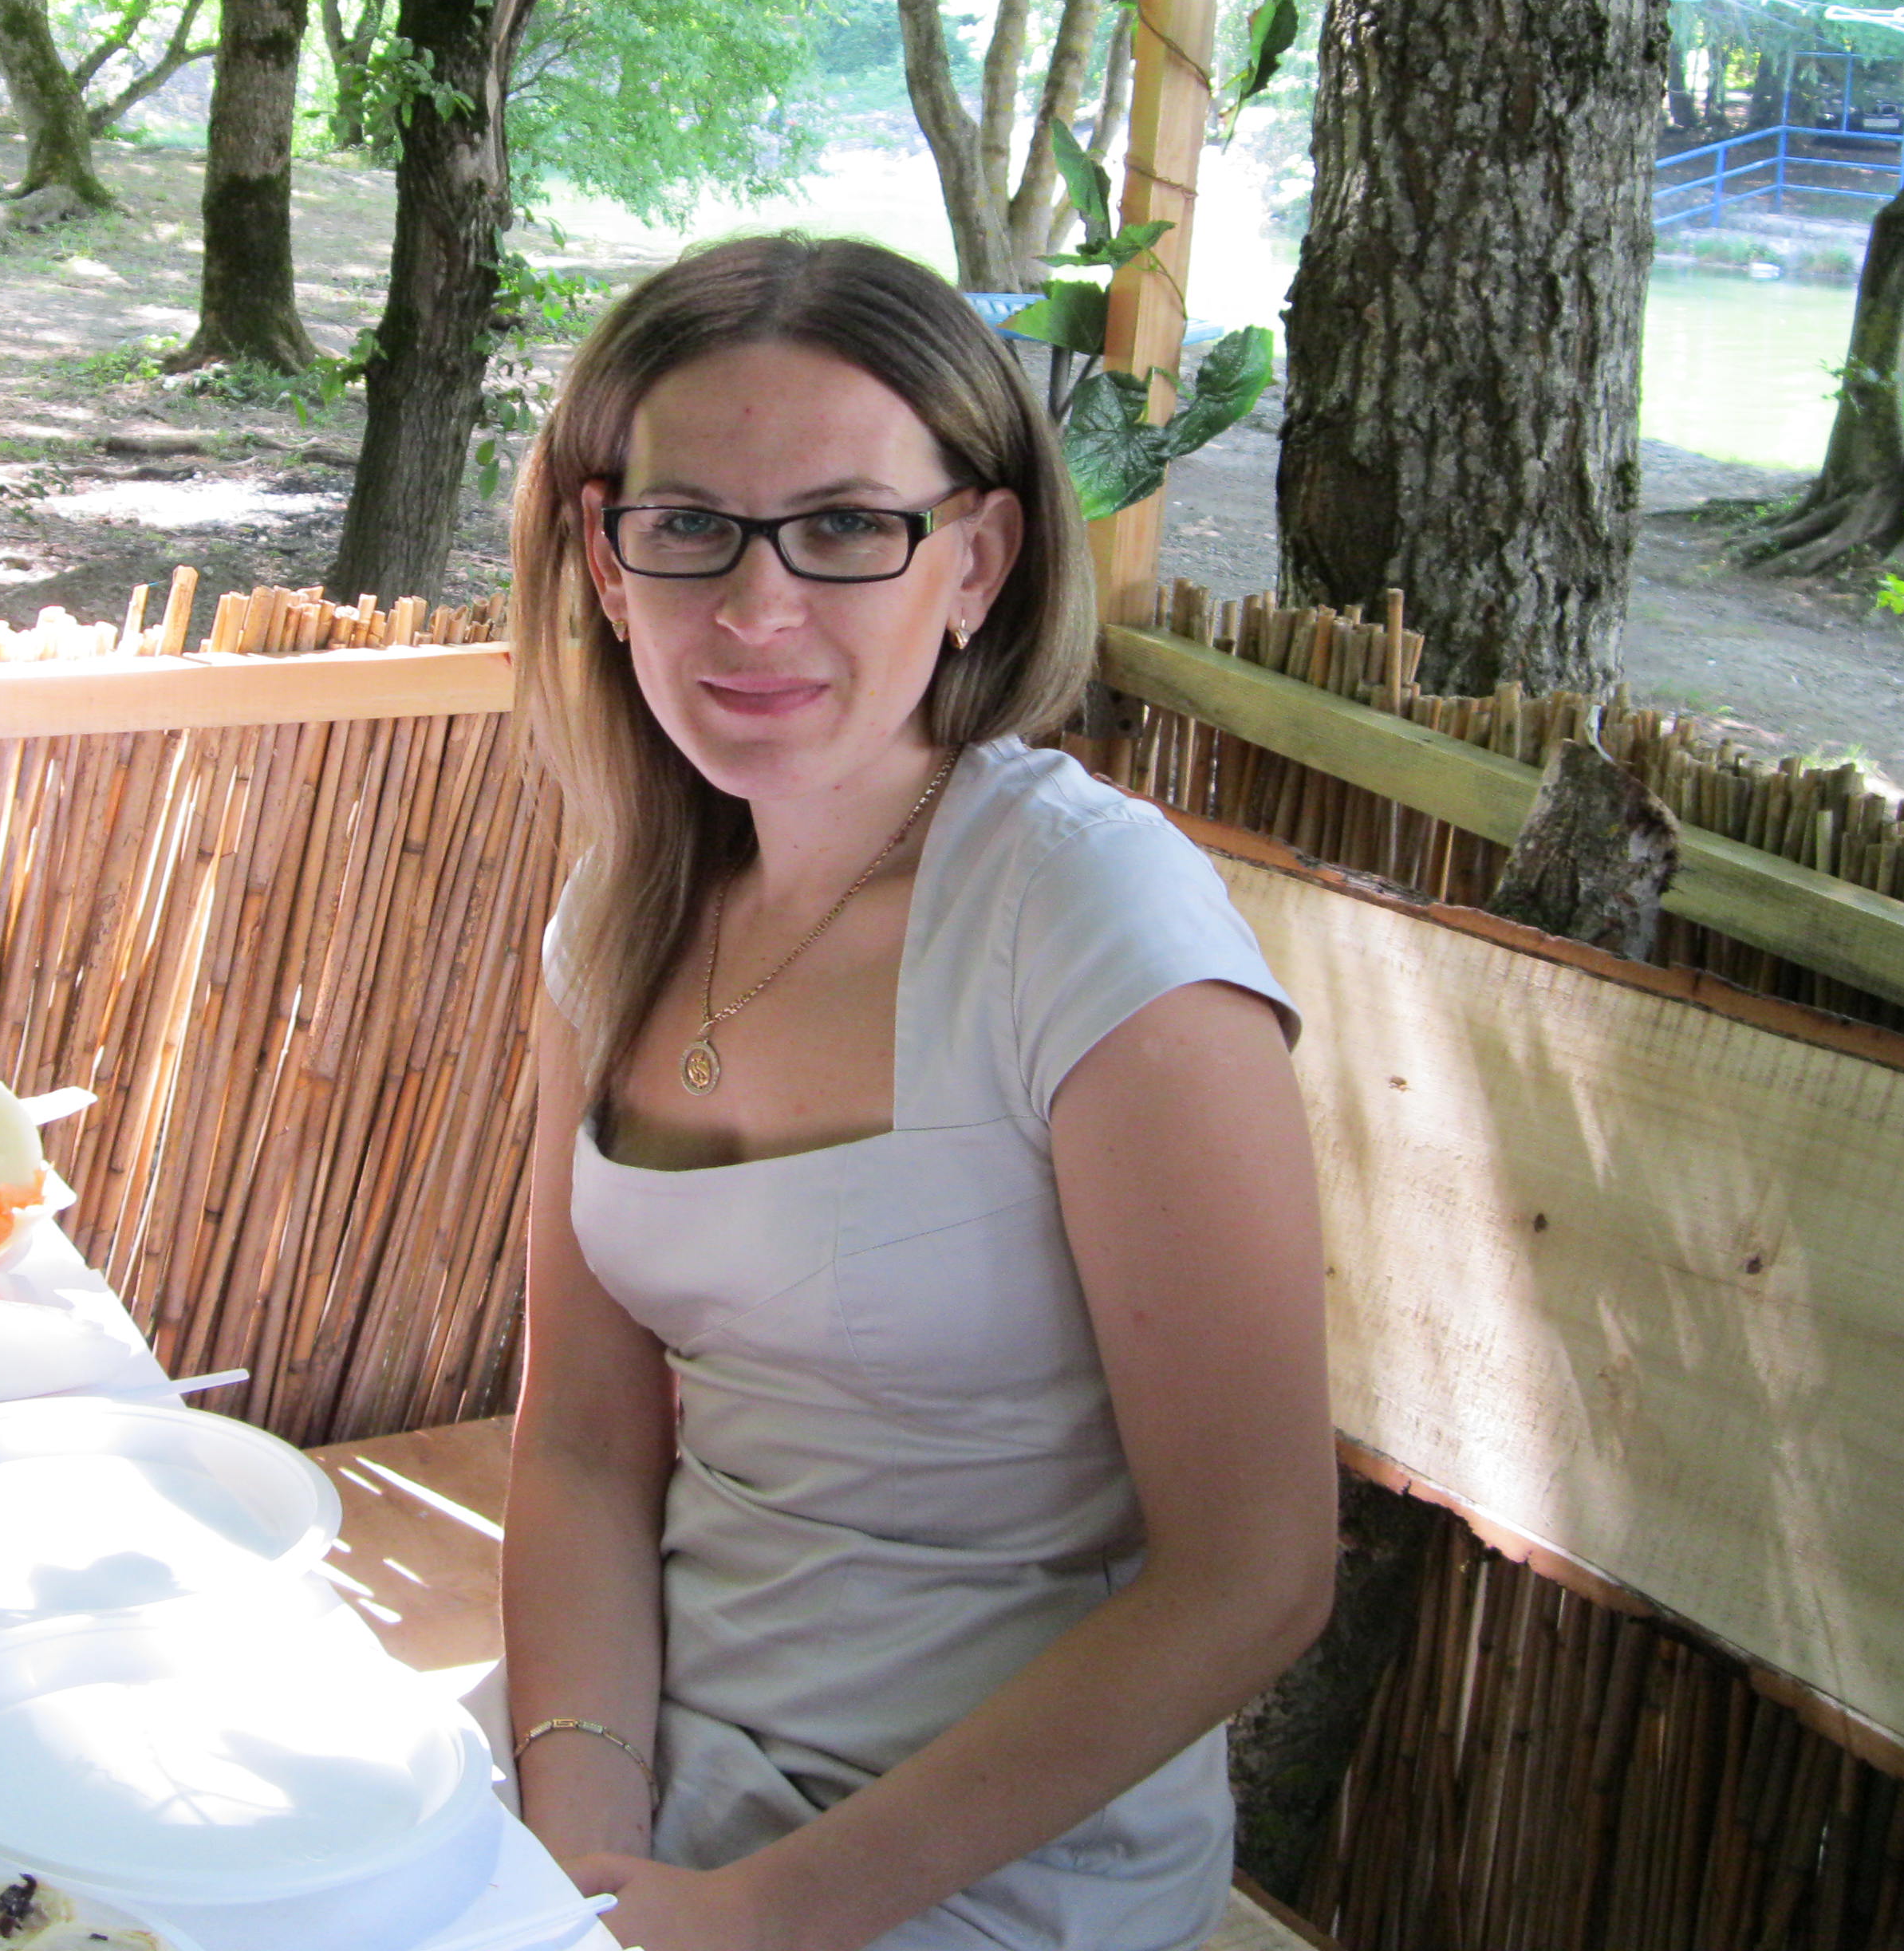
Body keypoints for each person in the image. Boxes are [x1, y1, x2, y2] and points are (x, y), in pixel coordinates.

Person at [503, 235, 1334, 1951]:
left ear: (976, 560)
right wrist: (579, 1860)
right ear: (603, 556)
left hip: (985, 1874)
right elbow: (581, 1438)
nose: (756, 608)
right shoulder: (617, 912)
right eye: (689, 526)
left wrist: (759, 1917)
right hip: (654, 1785)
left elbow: (1252, 1578)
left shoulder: (1089, 926)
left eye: (842, 528)